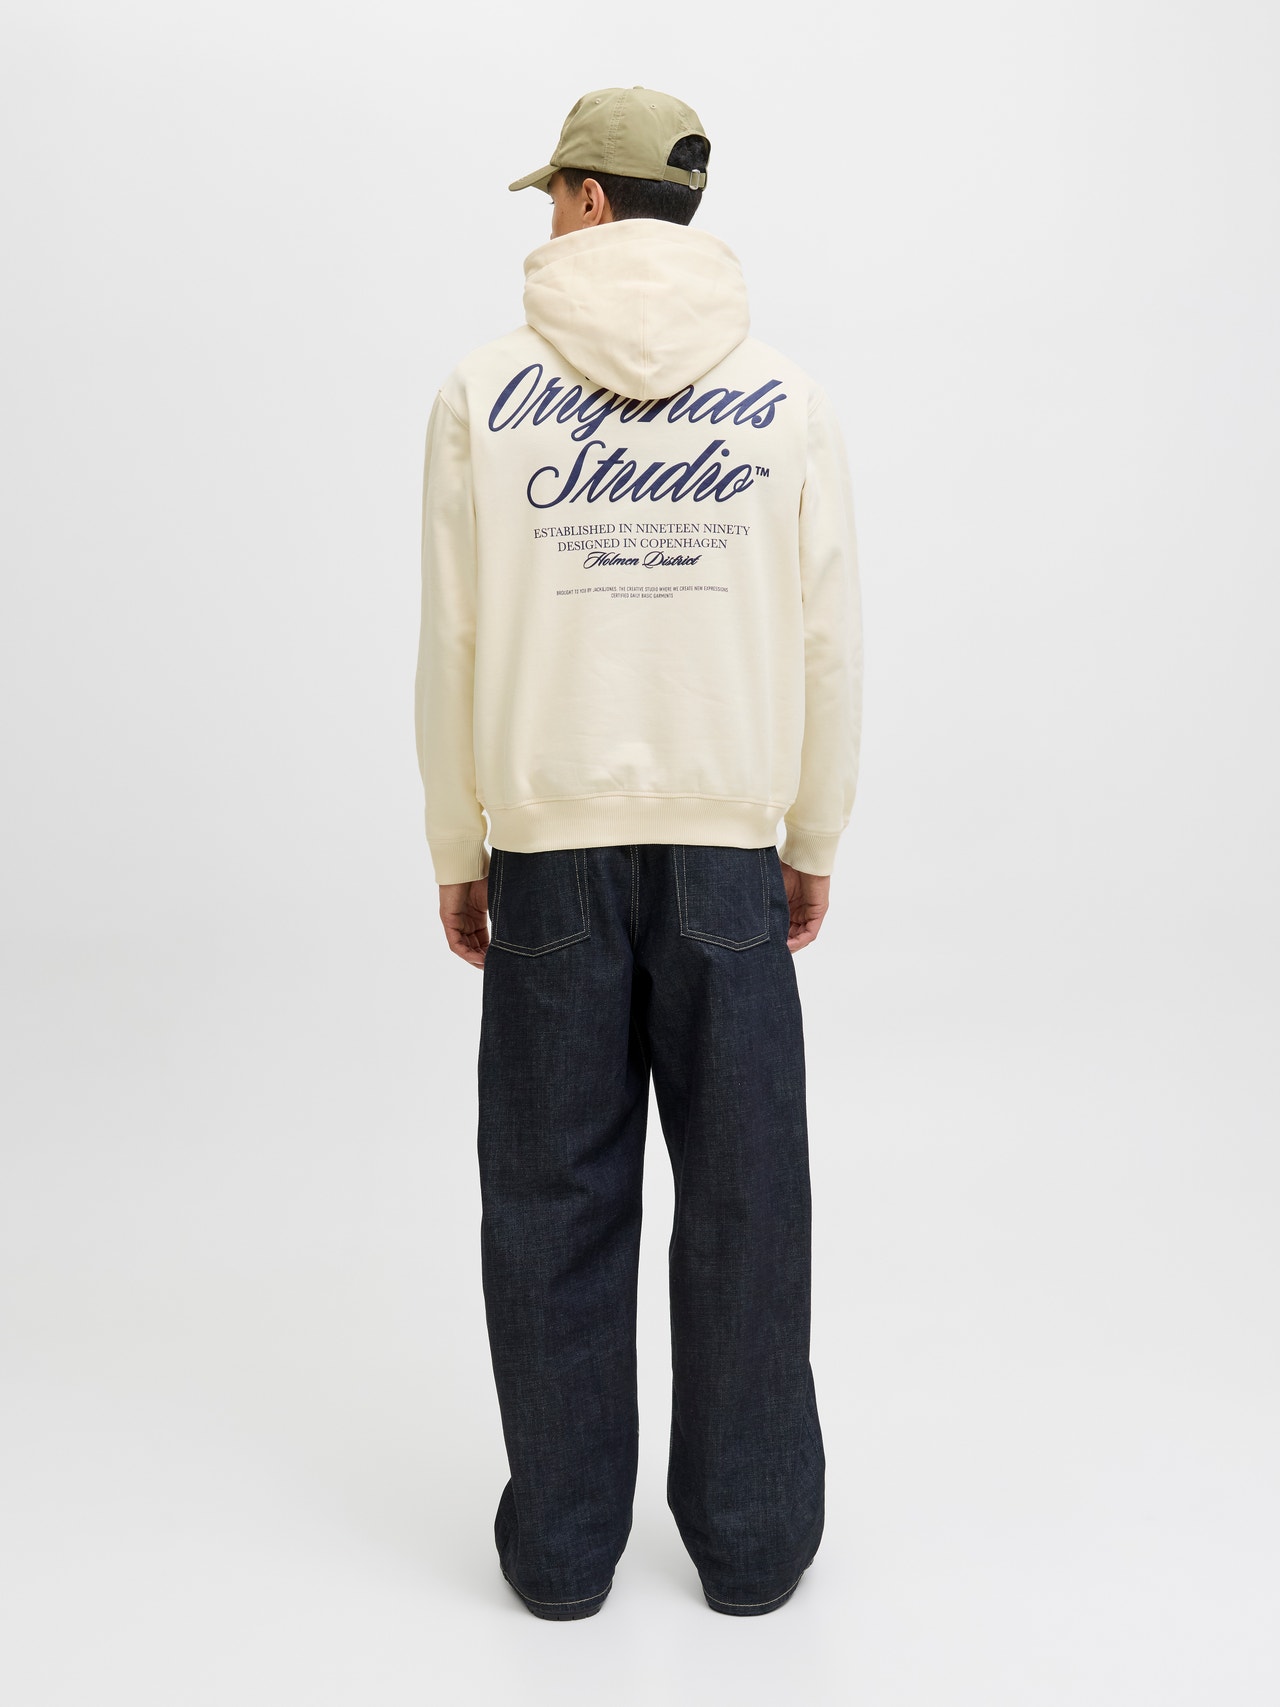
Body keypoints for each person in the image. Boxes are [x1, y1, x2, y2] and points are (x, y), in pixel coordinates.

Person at [414, 84, 863, 1620]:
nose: (550, 213)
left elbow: (452, 643)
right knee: (748, 1197)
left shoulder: (484, 394)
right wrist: (811, 829)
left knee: (553, 1195)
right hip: (729, 847)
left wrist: (459, 839)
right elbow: (829, 640)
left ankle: (559, 1557)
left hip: (549, 849)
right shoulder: (786, 398)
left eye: (557, 191)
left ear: (593, 201)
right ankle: (753, 1547)